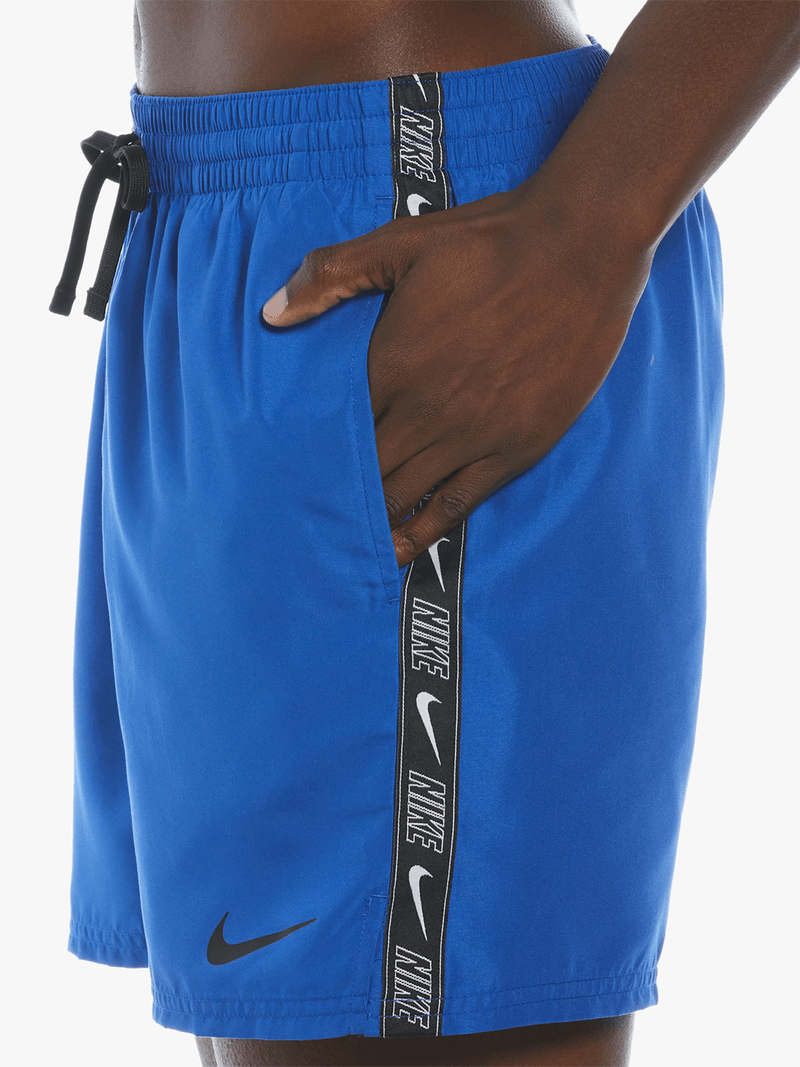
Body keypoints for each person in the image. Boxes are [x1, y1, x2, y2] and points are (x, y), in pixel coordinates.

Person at [52, 2, 799, 1066]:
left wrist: (588, 225)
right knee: (274, 1010)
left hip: (420, 219)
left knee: (390, 1019)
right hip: (200, 232)